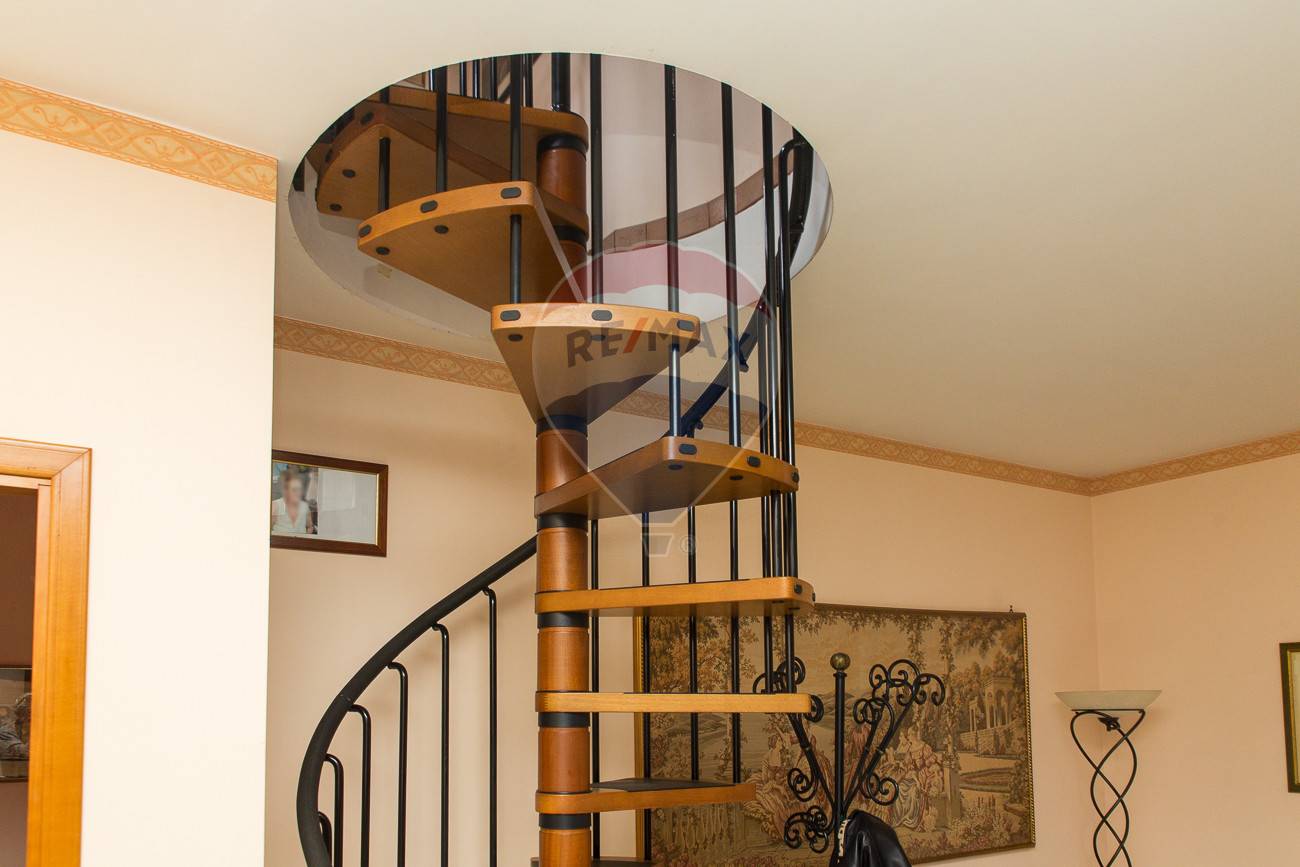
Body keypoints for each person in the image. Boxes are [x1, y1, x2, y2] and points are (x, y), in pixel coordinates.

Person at [271, 467, 316, 535]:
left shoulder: (304, 506)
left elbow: (310, 527)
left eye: (299, 489)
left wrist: (306, 537)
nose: (298, 493)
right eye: (294, 490)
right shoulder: (276, 505)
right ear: (286, 490)